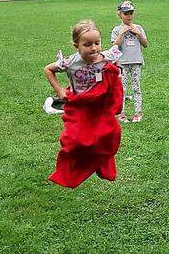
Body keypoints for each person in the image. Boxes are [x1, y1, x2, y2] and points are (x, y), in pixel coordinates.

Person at [43, 20, 123, 188]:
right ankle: (69, 170)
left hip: (98, 107)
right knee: (73, 140)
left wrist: (114, 77)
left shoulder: (107, 57)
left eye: (97, 43)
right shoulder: (70, 62)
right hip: (79, 107)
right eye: (87, 45)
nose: (93, 48)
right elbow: (48, 70)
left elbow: (116, 72)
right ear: (76, 45)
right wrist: (59, 91)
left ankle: (102, 162)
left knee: (109, 134)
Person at [111, 1, 148, 123]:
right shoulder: (116, 30)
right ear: (120, 14)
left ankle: (138, 113)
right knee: (122, 88)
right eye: (126, 13)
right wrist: (121, 33)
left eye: (131, 13)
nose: (129, 16)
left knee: (136, 87)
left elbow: (145, 44)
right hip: (122, 63)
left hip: (136, 61)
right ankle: (121, 113)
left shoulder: (139, 28)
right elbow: (114, 47)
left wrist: (138, 33)